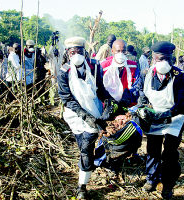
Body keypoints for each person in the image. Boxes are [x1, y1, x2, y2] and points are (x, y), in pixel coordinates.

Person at [57, 36, 112, 199]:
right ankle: (89, 166)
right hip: (74, 115)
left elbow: (101, 89)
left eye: (79, 51)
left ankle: (82, 187)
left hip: (93, 113)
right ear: (68, 53)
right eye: (72, 52)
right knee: (83, 146)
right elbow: (66, 98)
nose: (76, 54)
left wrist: (109, 103)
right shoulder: (64, 71)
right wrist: (83, 115)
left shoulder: (95, 67)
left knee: (86, 149)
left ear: (85, 51)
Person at [136, 41, 184, 199]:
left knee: (170, 153)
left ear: (171, 59)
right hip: (153, 116)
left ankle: (167, 184)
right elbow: (141, 93)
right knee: (152, 149)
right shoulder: (146, 73)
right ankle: (151, 178)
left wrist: (164, 115)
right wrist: (142, 108)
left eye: (166, 59)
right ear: (153, 58)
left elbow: (182, 104)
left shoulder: (180, 77)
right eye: (159, 59)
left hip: (174, 118)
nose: (162, 63)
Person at [101, 39, 140, 108]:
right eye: (118, 51)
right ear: (112, 51)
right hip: (108, 104)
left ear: (126, 51)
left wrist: (128, 95)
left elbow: (137, 85)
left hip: (128, 103)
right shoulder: (103, 66)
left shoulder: (133, 66)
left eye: (123, 51)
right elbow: (99, 86)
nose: (121, 54)